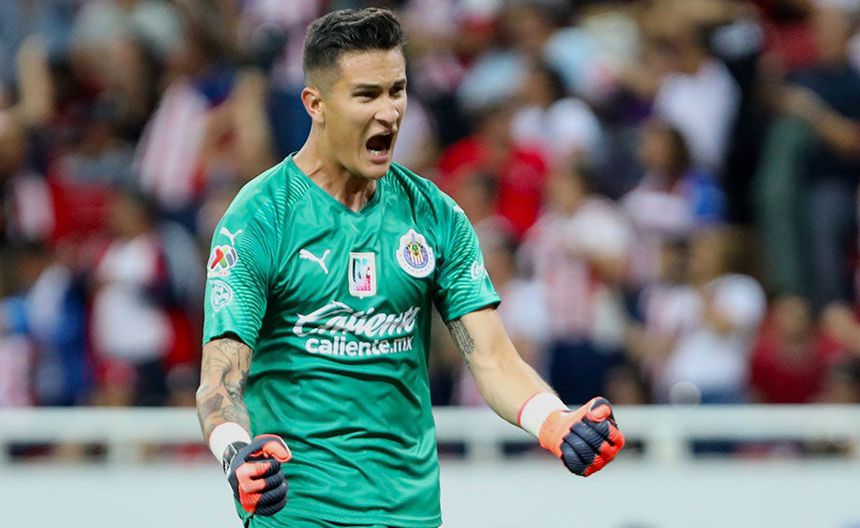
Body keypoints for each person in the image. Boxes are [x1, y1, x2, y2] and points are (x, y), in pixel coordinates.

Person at [195, 9, 624, 528]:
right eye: (366, 95)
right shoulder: (260, 218)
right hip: (301, 514)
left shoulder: (435, 215)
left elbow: (492, 358)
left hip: (411, 513)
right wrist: (235, 452)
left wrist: (554, 421)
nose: (389, 113)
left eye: (396, 91)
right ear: (315, 104)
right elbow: (221, 379)